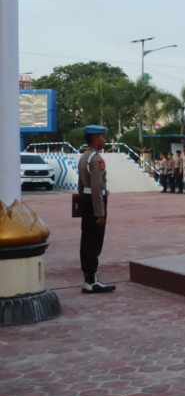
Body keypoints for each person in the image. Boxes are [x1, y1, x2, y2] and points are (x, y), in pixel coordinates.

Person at [78, 125, 116, 293]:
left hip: (86, 201)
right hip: (95, 202)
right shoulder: (96, 159)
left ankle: (88, 279)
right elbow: (96, 188)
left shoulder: (84, 156)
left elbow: (81, 184)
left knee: (86, 240)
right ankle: (92, 281)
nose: (104, 140)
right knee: (94, 241)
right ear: (95, 139)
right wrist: (99, 213)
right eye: (102, 137)